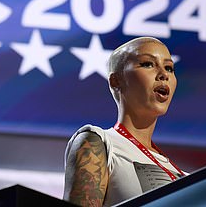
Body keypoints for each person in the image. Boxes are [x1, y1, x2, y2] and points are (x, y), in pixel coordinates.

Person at [63, 37, 185, 206]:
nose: (164, 74)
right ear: (116, 81)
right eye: (148, 64)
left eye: (169, 68)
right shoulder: (98, 142)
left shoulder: (185, 176)